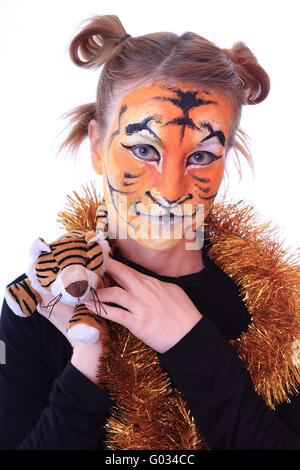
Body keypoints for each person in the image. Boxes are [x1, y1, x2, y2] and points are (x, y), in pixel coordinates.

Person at [0, 14, 299, 451]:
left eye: (200, 156)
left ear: (225, 157)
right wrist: (86, 362)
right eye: (143, 150)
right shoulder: (41, 302)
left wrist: (193, 343)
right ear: (98, 147)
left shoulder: (277, 306)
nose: (171, 190)